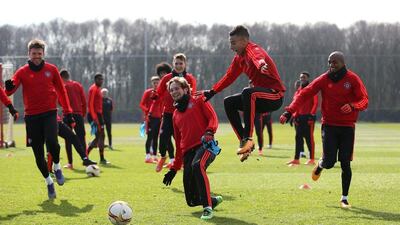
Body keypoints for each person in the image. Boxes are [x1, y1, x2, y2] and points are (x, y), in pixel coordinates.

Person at [280, 51, 368, 208]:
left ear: (342, 63)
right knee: (329, 162)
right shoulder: (323, 79)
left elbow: (364, 99)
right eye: (329, 62)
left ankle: (344, 198)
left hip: (348, 127)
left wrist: (353, 106)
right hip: (329, 126)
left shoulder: (353, 79)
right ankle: (320, 165)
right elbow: (303, 94)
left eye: (335, 62)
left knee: (345, 163)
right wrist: (289, 111)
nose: (331, 65)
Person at [202, 25, 285, 162]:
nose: (231, 47)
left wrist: (261, 65)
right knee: (228, 102)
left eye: (233, 43)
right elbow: (229, 77)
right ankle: (244, 142)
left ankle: (248, 138)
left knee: (248, 92)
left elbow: (257, 57)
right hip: (259, 98)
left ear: (244, 41)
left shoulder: (252, 49)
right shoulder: (238, 59)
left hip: (275, 96)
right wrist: (212, 91)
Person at [5, 39, 75, 199]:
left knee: (53, 142)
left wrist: (68, 111)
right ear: (28, 54)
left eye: (39, 54)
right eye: (34, 54)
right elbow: (10, 90)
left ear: (43, 54)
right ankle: (49, 182)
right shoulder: (22, 72)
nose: (37, 56)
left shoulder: (52, 69)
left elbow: (62, 91)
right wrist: (8, 87)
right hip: (31, 117)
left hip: (50, 113)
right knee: (38, 154)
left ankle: (57, 166)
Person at [162, 77, 223, 220]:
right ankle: (213, 201)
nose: (174, 92)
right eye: (171, 90)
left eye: (177, 88)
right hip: (188, 152)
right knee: (191, 200)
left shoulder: (199, 100)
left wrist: (209, 131)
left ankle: (207, 209)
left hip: (206, 145)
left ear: (185, 89)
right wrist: (174, 168)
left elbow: (213, 117)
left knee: (198, 165)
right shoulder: (175, 114)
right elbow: (178, 144)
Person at [153, 53, 197, 172]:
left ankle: (180, 162)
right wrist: (156, 97)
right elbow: (159, 92)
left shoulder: (190, 79)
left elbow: (192, 96)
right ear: (173, 64)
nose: (178, 66)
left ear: (185, 64)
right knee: (162, 138)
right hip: (168, 114)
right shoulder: (167, 78)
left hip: (183, 114)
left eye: (181, 63)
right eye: (176, 63)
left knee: (181, 141)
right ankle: (163, 156)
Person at [285, 72, 318, 166]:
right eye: (300, 77)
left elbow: (315, 103)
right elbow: (296, 105)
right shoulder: (298, 91)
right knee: (298, 138)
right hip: (299, 118)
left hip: (308, 117)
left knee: (309, 138)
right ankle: (296, 159)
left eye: (304, 77)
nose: (302, 78)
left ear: (308, 78)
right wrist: (293, 116)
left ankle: (312, 159)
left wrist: (312, 115)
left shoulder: (311, 89)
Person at [60, 69, 88, 169]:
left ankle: (70, 163)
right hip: (78, 115)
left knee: (68, 138)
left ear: (61, 77)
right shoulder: (78, 85)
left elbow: (60, 101)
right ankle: (86, 160)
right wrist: (82, 114)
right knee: (81, 138)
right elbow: (84, 102)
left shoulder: (63, 86)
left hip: (67, 115)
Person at [86, 73, 109, 164]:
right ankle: (86, 155)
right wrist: (94, 118)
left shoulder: (98, 89)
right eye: (99, 79)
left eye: (102, 79)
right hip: (94, 116)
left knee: (102, 136)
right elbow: (90, 105)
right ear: (95, 80)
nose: (101, 81)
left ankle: (102, 158)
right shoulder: (93, 89)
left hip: (99, 115)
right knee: (99, 136)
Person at [140, 76, 162, 163]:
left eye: (157, 83)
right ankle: (147, 156)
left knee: (156, 137)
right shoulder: (147, 92)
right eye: (154, 83)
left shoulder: (161, 93)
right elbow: (141, 104)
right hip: (150, 118)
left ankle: (155, 156)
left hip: (159, 118)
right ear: (152, 83)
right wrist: (147, 111)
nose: (156, 84)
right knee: (150, 137)